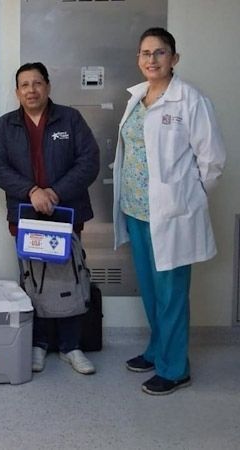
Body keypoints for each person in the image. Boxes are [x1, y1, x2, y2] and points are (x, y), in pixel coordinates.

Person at [113, 27, 225, 395]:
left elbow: (212, 161)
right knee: (150, 289)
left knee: (172, 293)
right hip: (135, 210)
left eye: (160, 52)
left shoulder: (190, 100)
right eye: (146, 53)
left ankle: (175, 368)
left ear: (174, 58)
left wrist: (187, 199)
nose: (152, 59)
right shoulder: (137, 97)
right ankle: (157, 350)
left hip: (172, 214)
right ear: (138, 59)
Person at [0, 62, 100, 375]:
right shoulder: (6, 125)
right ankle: (38, 344)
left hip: (65, 213)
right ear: (17, 92)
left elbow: (89, 161)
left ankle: (71, 346)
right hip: (26, 215)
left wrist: (55, 193)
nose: (31, 90)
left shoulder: (70, 119)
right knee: (32, 279)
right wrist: (32, 191)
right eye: (24, 85)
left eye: (37, 83)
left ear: (48, 87)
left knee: (70, 277)